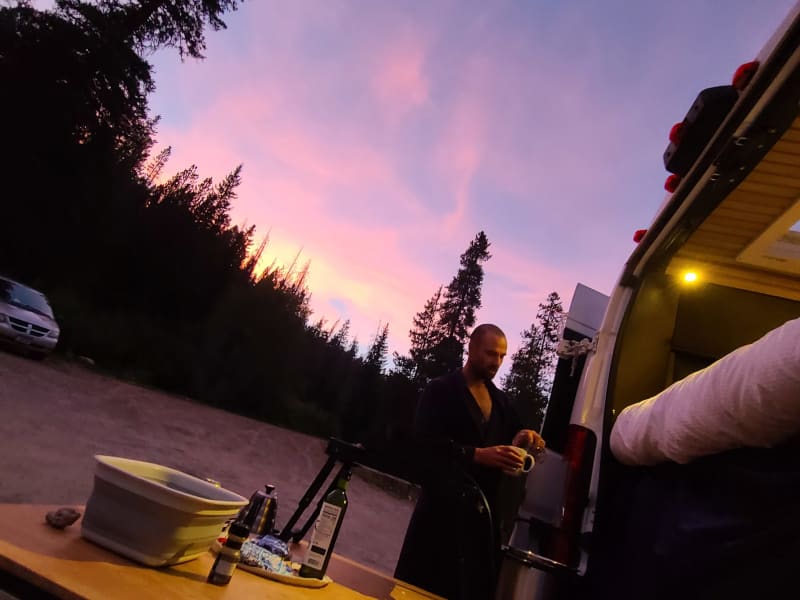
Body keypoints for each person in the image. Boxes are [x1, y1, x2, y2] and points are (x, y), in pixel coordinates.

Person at [394, 323, 545, 600]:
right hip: (438, 521)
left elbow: (509, 442)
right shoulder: (440, 391)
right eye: (490, 353)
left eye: (502, 356)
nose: (496, 362)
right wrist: (476, 454)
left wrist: (521, 439)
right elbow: (422, 448)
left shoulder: (502, 403)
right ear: (471, 348)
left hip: (481, 528)